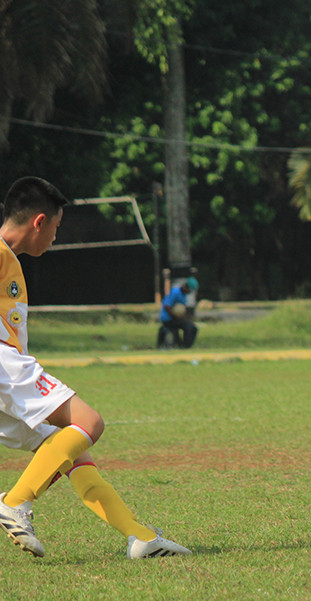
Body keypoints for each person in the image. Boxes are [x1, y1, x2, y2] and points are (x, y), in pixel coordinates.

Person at [0, 177, 190, 559]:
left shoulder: (10, 260)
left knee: (73, 452)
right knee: (89, 423)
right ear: (39, 222)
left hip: (9, 373)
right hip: (6, 369)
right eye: (56, 227)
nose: (56, 237)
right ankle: (14, 502)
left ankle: (141, 538)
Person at [158, 277, 199, 349]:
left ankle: (185, 345)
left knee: (193, 328)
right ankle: (185, 346)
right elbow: (167, 307)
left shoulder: (183, 295)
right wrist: (177, 316)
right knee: (189, 326)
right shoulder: (175, 292)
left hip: (175, 318)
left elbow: (182, 310)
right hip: (168, 318)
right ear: (186, 287)